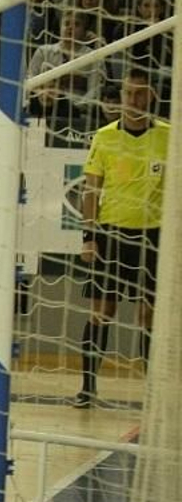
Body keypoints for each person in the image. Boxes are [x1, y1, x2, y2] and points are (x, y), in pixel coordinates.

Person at [76, 69, 168, 408]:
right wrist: (89, 236)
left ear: (152, 97)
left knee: (149, 314)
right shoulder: (104, 136)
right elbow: (90, 190)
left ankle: (153, 391)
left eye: (140, 94)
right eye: (128, 94)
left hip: (154, 235)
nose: (133, 101)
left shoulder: (169, 136)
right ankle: (87, 388)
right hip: (111, 234)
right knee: (102, 311)